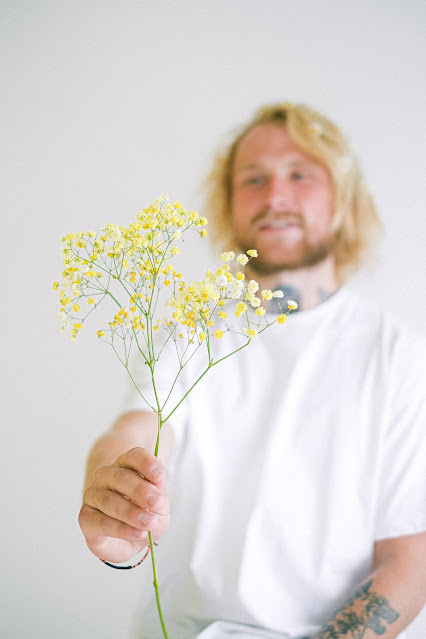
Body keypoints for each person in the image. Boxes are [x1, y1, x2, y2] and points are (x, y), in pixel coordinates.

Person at [79, 103, 426, 639]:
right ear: (229, 204)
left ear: (343, 198)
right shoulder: (193, 330)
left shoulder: (397, 355)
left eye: (300, 175)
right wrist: (116, 497)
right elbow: (140, 426)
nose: (275, 197)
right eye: (254, 179)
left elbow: (410, 559)